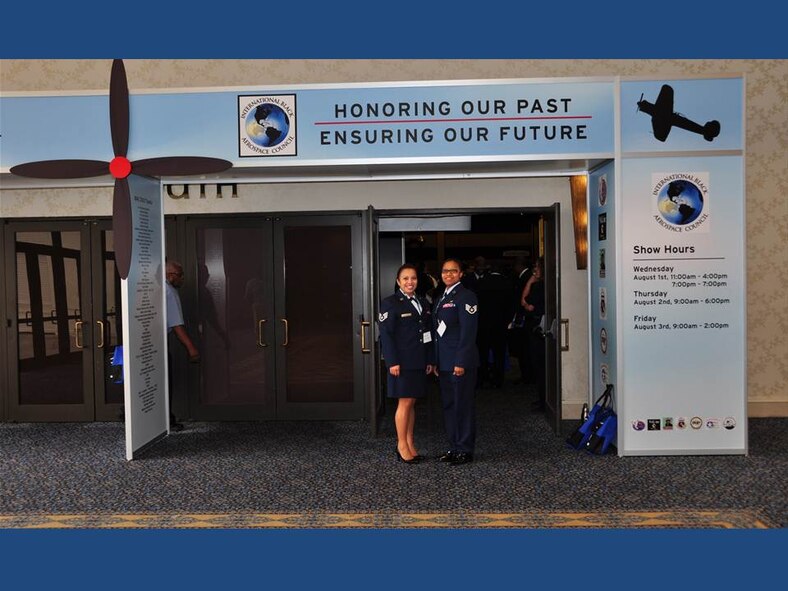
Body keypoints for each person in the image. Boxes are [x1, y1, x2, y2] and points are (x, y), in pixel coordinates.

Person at [378, 264, 436, 464]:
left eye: (413, 278)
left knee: (411, 403)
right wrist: (392, 361)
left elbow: (427, 334)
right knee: (404, 403)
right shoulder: (390, 303)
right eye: (405, 279)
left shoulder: (422, 302)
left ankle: (410, 442)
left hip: (418, 361)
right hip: (401, 363)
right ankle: (401, 444)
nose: (410, 282)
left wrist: (429, 359)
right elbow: (386, 334)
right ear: (398, 282)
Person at [433, 257, 479, 465]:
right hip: (444, 362)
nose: (448, 274)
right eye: (445, 271)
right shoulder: (442, 297)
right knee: (449, 406)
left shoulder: (466, 297)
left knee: (463, 405)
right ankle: (454, 446)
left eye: (453, 271)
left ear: (461, 274)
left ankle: (465, 449)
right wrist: (435, 361)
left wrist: (460, 362)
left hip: (460, 363)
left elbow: (468, 333)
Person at [165, 260, 200, 431]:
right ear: (170, 276)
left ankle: (164, 420)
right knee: (166, 383)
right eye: (180, 275)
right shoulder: (169, 292)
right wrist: (191, 348)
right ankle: (167, 421)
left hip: (152, 343)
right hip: (160, 345)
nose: (183, 279)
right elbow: (177, 325)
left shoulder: (158, 288)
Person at [521, 257, 546, 411]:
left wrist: (531, 280)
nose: (534, 270)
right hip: (540, 326)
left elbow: (525, 300)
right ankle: (543, 399)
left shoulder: (538, 286)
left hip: (538, 328)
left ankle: (544, 400)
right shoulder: (545, 284)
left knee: (540, 366)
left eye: (536, 267)